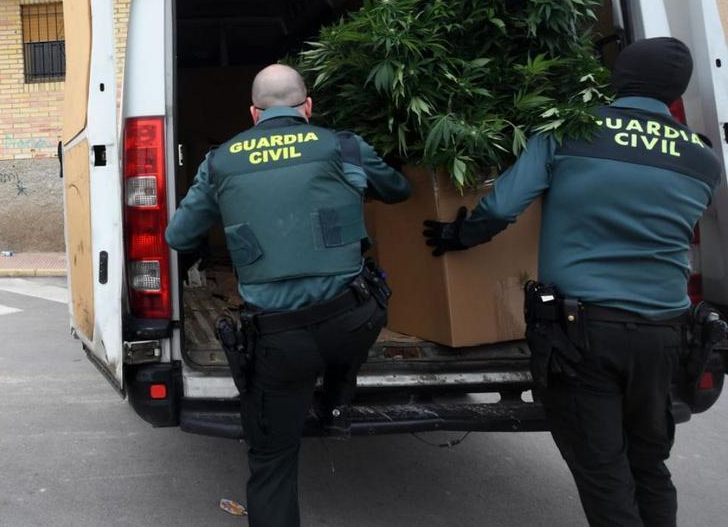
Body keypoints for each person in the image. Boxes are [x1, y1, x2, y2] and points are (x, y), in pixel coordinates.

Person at [422, 37, 720, 527]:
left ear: (618, 77)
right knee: (648, 462)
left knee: (603, 470)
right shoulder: (705, 160)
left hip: (583, 334)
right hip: (662, 335)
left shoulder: (571, 132)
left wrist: (459, 236)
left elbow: (500, 206)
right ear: (675, 93)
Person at [165, 64, 410, 527]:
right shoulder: (344, 146)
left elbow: (178, 237)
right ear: (308, 107)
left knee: (272, 462)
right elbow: (399, 190)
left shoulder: (220, 161)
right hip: (353, 324)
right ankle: (338, 399)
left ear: (254, 113)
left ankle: (332, 399)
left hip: (281, 344)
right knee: (362, 309)